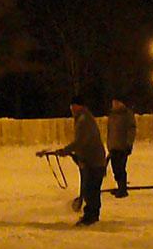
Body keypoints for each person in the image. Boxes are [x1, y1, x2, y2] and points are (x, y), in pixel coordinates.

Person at [41, 95, 106, 226]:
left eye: (73, 105)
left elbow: (81, 142)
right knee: (91, 188)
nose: (71, 108)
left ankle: (91, 216)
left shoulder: (83, 120)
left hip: (93, 160)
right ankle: (91, 214)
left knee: (90, 189)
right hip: (91, 159)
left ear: (79, 106)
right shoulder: (84, 118)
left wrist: (65, 151)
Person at [106, 95, 136, 198]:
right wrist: (109, 144)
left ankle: (122, 189)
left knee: (120, 168)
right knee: (115, 168)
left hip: (123, 146)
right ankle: (120, 186)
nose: (114, 104)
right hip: (113, 146)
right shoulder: (112, 115)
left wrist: (128, 144)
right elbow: (110, 131)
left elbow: (131, 130)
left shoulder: (127, 114)